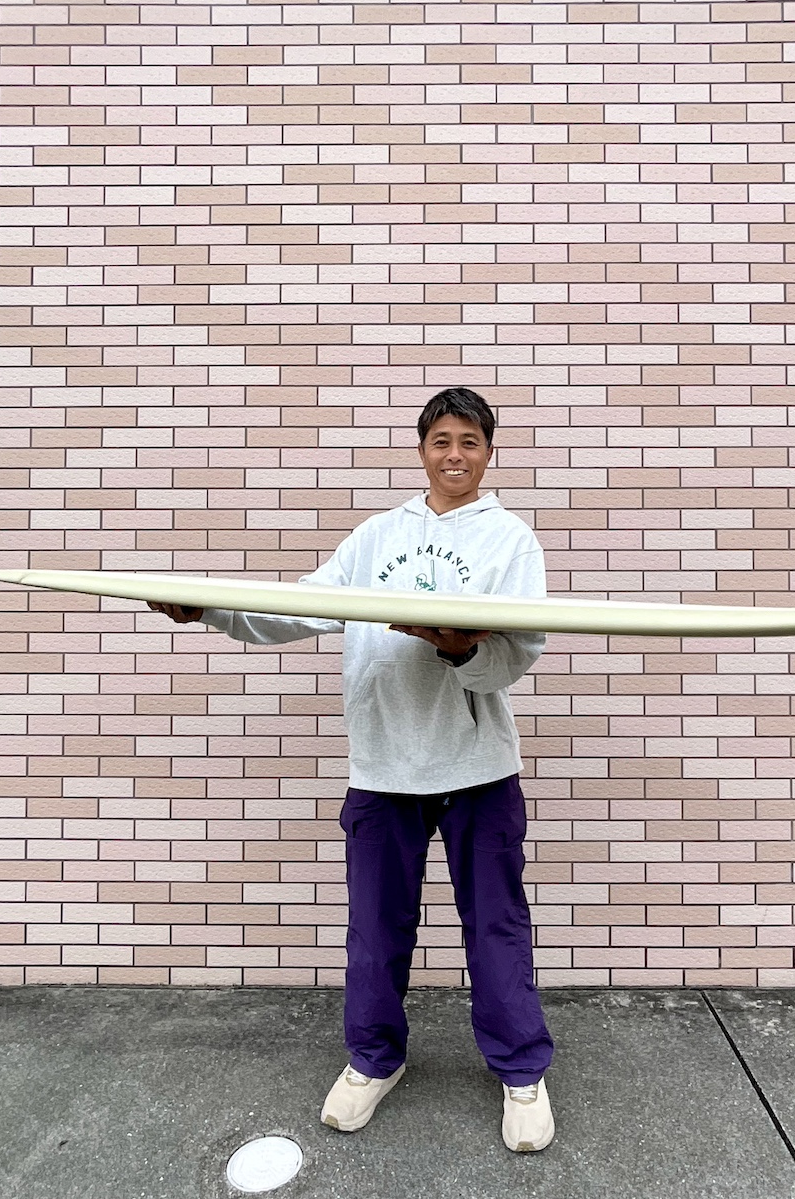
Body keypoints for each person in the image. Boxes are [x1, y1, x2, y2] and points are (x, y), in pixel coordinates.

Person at [149, 388, 556, 1153]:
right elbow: (298, 608)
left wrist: (461, 650)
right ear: (422, 450)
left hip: (478, 768)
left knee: (496, 925)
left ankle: (522, 1073)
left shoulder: (511, 541)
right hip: (382, 766)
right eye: (441, 441)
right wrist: (210, 610)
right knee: (375, 929)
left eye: (469, 441)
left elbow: (518, 654)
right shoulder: (376, 537)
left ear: (488, 452)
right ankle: (373, 1060)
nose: (455, 455)